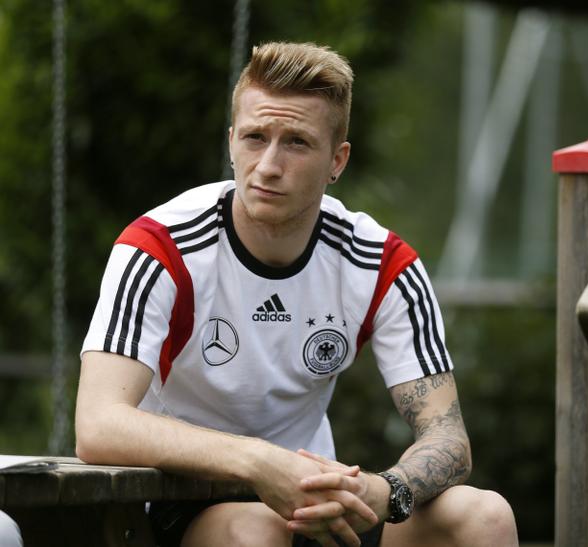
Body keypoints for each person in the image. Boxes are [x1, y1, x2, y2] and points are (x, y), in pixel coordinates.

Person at [75, 41, 517, 547]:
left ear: (338, 160)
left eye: (297, 143)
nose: (267, 164)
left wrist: (386, 490)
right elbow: (98, 423)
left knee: (484, 516)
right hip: (185, 499)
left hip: (316, 496)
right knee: (255, 531)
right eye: (254, 137)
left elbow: (448, 438)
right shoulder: (160, 247)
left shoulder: (381, 264)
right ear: (231, 141)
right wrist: (258, 460)